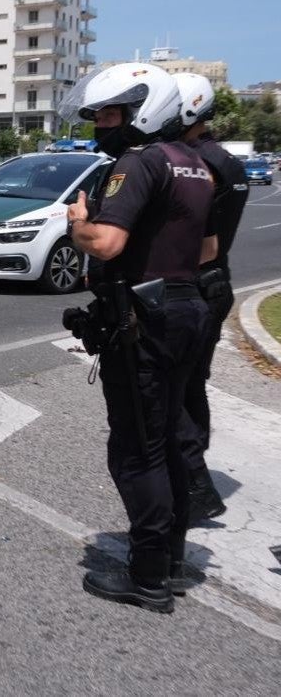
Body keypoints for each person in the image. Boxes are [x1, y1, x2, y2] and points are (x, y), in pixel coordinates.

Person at [62, 63, 217, 612]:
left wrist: (77, 222)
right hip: (187, 308)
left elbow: (104, 243)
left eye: (110, 113)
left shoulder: (139, 162)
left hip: (147, 320)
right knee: (169, 439)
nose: (102, 124)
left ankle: (148, 575)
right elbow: (204, 252)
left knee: (137, 451)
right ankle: (171, 559)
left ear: (142, 109)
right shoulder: (194, 164)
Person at [173, 73, 250, 522]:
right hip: (216, 281)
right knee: (191, 384)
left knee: (170, 390)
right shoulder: (226, 160)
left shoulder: (193, 162)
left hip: (190, 281)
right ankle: (190, 475)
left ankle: (194, 485)